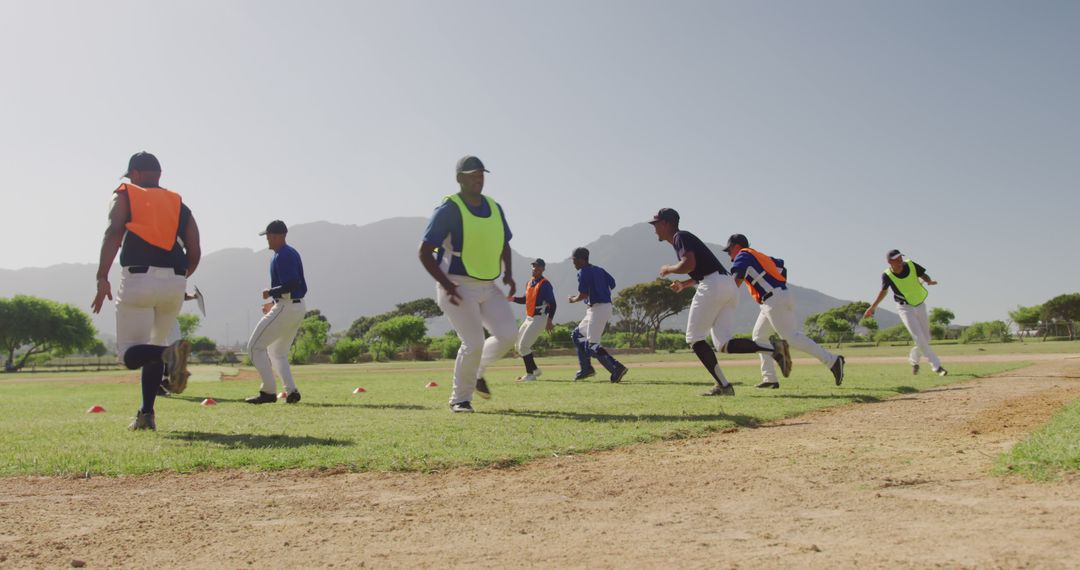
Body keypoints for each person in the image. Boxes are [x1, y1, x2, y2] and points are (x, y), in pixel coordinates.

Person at [91, 151, 200, 431]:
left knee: (129, 354)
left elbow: (114, 231)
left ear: (136, 174)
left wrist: (102, 276)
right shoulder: (179, 204)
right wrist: (180, 279)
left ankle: (168, 356)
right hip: (175, 282)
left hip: (139, 280)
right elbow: (195, 248)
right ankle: (146, 415)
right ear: (159, 175)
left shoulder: (127, 193)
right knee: (154, 348)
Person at [651, 209, 792, 396]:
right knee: (723, 344)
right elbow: (702, 270)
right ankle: (774, 348)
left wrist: (668, 269)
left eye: (656, 224)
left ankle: (724, 386)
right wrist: (685, 284)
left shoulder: (680, 237)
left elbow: (689, 265)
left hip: (714, 285)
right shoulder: (684, 238)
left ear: (667, 223)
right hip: (727, 285)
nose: (654, 228)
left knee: (694, 339)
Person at [419, 156, 518, 413]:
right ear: (459, 178)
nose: (478, 178)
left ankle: (477, 372)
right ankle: (460, 399)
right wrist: (447, 285)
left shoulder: (495, 207)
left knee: (509, 334)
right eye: (473, 174)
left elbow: (504, 242)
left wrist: (508, 273)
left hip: (489, 284)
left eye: (481, 174)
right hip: (457, 285)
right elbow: (424, 252)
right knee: (473, 342)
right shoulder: (448, 210)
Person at [724, 234, 845, 389]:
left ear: (736, 246)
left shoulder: (743, 255)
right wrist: (778, 287)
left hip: (774, 299)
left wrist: (724, 299)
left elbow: (736, 279)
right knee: (759, 336)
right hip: (775, 298)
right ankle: (770, 379)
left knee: (791, 337)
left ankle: (833, 361)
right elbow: (781, 267)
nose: (729, 255)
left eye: (729, 251)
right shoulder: (759, 256)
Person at [244, 220, 308, 404]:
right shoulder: (287, 253)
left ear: (280, 235)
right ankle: (292, 391)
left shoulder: (284, 255)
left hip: (287, 306)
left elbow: (293, 282)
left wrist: (271, 293)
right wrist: (273, 302)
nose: (267, 239)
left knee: (255, 346)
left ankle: (268, 392)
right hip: (295, 306)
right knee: (277, 352)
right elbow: (291, 284)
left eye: (270, 235)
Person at [864, 249, 947, 376]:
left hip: (919, 304)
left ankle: (913, 361)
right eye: (896, 259)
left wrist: (929, 281)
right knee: (919, 337)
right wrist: (873, 307)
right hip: (904, 308)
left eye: (900, 258)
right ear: (889, 262)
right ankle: (937, 366)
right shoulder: (887, 275)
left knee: (926, 338)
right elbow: (884, 291)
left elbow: (923, 275)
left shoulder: (911, 264)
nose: (900, 261)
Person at [568, 247, 628, 383]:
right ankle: (586, 369)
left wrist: (572, 300)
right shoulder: (599, 270)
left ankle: (616, 368)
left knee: (592, 345)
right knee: (577, 335)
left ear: (583, 259)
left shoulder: (583, 272)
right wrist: (600, 289)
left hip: (599, 308)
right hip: (598, 308)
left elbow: (583, 294)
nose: (574, 263)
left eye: (575, 260)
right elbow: (612, 284)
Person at [507, 258, 557, 382]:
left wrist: (549, 320)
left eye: (538, 267)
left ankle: (530, 375)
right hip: (529, 318)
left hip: (539, 318)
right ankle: (535, 370)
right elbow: (525, 300)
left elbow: (553, 304)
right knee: (518, 346)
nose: (535, 268)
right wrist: (512, 299)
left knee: (524, 346)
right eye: (534, 266)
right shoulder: (530, 282)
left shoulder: (545, 284)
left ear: (543, 269)